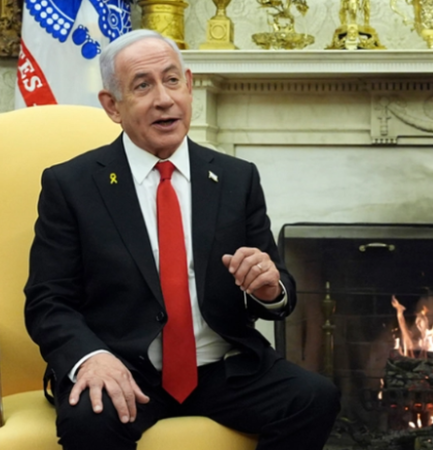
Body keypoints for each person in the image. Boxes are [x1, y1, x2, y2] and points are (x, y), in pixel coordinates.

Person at [24, 29, 340, 450]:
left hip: (222, 369)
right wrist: (91, 358)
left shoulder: (236, 178)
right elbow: (48, 301)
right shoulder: (72, 185)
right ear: (112, 105)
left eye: (172, 80)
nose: (164, 99)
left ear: (189, 86)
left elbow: (276, 287)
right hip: (123, 367)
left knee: (314, 397)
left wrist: (269, 289)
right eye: (142, 86)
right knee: (90, 420)